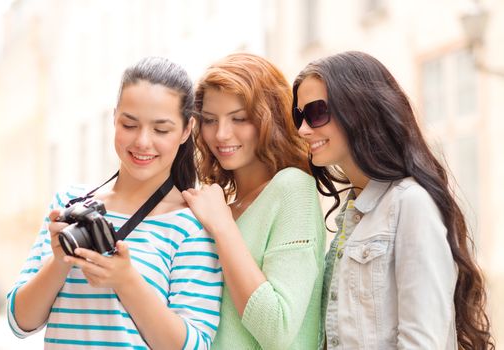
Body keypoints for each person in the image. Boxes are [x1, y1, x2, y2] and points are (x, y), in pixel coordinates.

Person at [7, 57, 223, 349]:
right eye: (129, 124)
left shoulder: (193, 225)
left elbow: (195, 345)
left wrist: (127, 281)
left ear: (186, 131)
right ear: (114, 118)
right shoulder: (70, 203)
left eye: (161, 130)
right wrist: (59, 260)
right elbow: (19, 321)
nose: (143, 142)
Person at [292, 51, 494, 349]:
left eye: (317, 112)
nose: (303, 129)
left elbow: (422, 342)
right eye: (299, 115)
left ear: (359, 109)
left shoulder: (410, 204)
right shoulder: (353, 212)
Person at [181, 53, 326, 350]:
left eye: (240, 118)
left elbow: (278, 328)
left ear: (269, 118)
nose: (221, 134)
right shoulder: (221, 207)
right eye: (209, 120)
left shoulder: (292, 188)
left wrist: (222, 227)